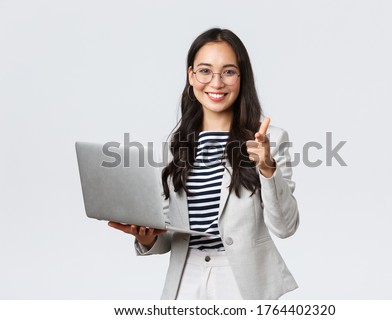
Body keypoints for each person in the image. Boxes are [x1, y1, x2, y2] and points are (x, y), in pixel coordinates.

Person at [108, 28, 300, 300]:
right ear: (191, 76)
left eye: (229, 71)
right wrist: (146, 236)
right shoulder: (174, 147)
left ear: (242, 78)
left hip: (241, 281)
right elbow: (168, 236)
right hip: (186, 278)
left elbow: (285, 227)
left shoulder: (270, 139)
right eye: (205, 71)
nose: (216, 82)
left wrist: (267, 169)